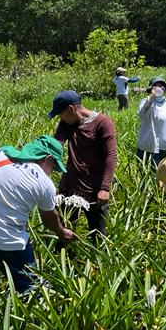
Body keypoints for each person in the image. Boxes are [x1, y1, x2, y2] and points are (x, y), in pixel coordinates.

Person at [0, 136, 75, 296]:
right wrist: (61, 232)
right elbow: (49, 219)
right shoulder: (45, 184)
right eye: (53, 167)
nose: (52, 173)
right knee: (33, 292)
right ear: (48, 158)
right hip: (10, 244)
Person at [50, 90, 118, 238]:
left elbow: (111, 156)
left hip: (94, 189)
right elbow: (56, 145)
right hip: (69, 188)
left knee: (98, 234)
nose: (60, 117)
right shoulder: (66, 123)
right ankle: (69, 259)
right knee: (64, 233)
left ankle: (96, 260)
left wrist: (105, 188)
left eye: (61, 113)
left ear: (71, 109)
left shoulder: (103, 123)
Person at [137, 76, 166, 167]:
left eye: (162, 86)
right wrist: (151, 97)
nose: (159, 88)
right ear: (151, 89)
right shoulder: (146, 101)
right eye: (156, 86)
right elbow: (142, 115)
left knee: (165, 177)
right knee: (153, 175)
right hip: (151, 148)